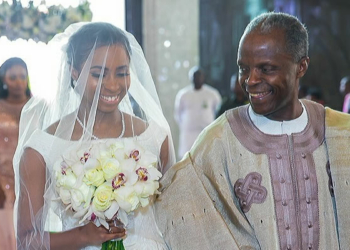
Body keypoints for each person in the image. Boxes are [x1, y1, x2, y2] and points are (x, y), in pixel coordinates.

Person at [156, 12, 350, 249]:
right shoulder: (218, 140)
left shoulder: (340, 133)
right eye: (243, 68)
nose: (250, 80)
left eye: (266, 69)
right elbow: (174, 210)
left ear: (301, 67)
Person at [13, 22, 175, 249]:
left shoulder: (155, 138)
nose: (112, 85)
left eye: (122, 73)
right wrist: (83, 236)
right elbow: (27, 240)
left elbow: (175, 221)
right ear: (74, 72)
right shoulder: (42, 148)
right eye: (99, 74)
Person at [0, 57, 31, 250]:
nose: (19, 82)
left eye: (22, 77)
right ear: (3, 79)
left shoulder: (37, 107)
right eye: (13, 77)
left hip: (29, 176)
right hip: (3, 181)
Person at [174, 67, 221, 159]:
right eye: (194, 77)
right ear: (191, 78)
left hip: (206, 132)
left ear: (203, 77)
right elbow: (178, 114)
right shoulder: (183, 94)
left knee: (206, 157)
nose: (197, 79)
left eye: (199, 76)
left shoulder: (212, 93)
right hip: (188, 133)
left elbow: (217, 111)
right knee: (187, 159)